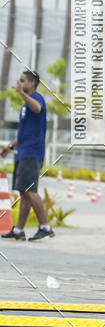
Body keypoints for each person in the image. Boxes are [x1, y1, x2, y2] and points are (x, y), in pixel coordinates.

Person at [1, 69, 54, 240]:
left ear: (32, 83)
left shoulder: (36, 99)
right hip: (22, 151)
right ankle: (19, 230)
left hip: (32, 152)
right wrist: (9, 146)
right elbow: (24, 134)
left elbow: (38, 108)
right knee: (24, 192)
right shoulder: (26, 105)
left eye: (23, 80)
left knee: (30, 190)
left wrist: (22, 94)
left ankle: (45, 226)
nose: (20, 83)